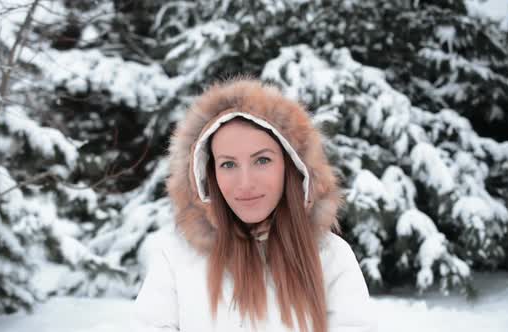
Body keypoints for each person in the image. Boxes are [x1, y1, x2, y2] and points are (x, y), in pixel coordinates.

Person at [134, 78, 377, 332]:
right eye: (228, 164)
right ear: (208, 174)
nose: (245, 183)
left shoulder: (331, 257)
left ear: (291, 166)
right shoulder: (175, 257)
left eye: (262, 160)